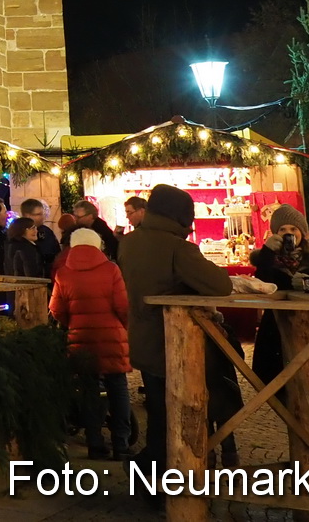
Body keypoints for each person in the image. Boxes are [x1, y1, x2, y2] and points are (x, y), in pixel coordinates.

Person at [120, 183, 231, 472]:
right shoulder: (176, 248)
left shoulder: (130, 243)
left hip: (144, 340)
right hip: (174, 345)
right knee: (179, 414)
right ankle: (165, 474)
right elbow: (220, 285)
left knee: (159, 413)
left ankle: (154, 473)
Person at [49, 227, 134, 459]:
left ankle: (95, 443)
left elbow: (56, 309)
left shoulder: (64, 273)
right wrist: (125, 328)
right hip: (112, 339)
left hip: (80, 340)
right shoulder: (111, 269)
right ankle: (121, 444)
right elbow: (123, 306)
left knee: (89, 391)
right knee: (118, 388)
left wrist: (72, 325)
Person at [247, 203, 309, 384]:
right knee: (275, 377)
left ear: (303, 232)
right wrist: (267, 252)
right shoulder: (267, 257)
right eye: (283, 229)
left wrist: (306, 283)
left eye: (294, 228)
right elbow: (262, 282)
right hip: (276, 324)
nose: (289, 233)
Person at [19, 199, 61, 275]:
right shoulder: (18, 235)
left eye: (43, 214)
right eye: (38, 214)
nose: (43, 217)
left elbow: (57, 253)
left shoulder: (47, 232)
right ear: (27, 215)